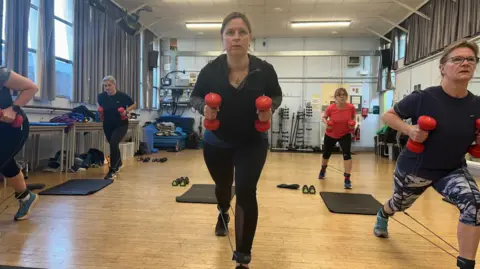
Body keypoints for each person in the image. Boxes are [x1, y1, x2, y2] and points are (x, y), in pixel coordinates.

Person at [373, 39, 480, 269]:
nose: (465, 63)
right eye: (457, 59)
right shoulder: (423, 97)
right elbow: (388, 116)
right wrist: (409, 129)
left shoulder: (476, 104)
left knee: (475, 204)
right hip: (416, 168)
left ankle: (466, 265)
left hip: (452, 169)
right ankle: (384, 212)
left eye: (471, 59)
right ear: (442, 67)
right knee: (400, 205)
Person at [190, 12, 282, 269]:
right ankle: (222, 212)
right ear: (222, 38)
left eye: (242, 32)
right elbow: (195, 97)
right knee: (223, 187)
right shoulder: (211, 70)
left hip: (251, 142)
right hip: (216, 141)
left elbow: (275, 95)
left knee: (244, 191)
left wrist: (269, 109)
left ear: (250, 37)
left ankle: (243, 256)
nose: (236, 37)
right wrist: (203, 109)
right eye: (230, 32)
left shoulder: (264, 70)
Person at [0, 66, 39, 221]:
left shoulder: (2, 73)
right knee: (7, 164)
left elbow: (32, 87)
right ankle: (25, 197)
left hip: (13, 127)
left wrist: (12, 108)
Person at [97, 75, 136, 180]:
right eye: (105, 86)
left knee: (114, 143)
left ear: (114, 85)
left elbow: (133, 104)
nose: (107, 88)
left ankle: (112, 170)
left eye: (109, 85)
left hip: (121, 124)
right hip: (108, 124)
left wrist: (126, 111)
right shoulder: (101, 97)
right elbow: (102, 108)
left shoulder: (122, 96)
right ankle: (118, 164)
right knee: (113, 145)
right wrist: (100, 114)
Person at [318, 87, 356, 189]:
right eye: (340, 95)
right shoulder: (331, 108)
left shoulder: (351, 107)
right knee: (326, 154)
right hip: (331, 134)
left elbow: (353, 117)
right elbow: (324, 117)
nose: (342, 96)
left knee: (347, 154)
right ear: (336, 97)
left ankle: (347, 178)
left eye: (344, 95)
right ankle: (323, 169)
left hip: (345, 134)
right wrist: (327, 124)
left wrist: (352, 124)